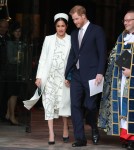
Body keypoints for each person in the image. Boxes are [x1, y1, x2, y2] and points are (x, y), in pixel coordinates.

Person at [65, 5, 107, 147]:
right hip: (76, 75)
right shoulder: (74, 34)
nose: (75, 21)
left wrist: (100, 72)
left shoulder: (97, 30)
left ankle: (94, 127)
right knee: (75, 106)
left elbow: (102, 53)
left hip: (92, 75)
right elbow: (73, 54)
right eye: (73, 19)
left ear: (83, 16)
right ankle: (80, 139)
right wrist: (67, 74)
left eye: (76, 18)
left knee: (90, 105)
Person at [98, 10, 134, 150]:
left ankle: (132, 139)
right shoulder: (122, 37)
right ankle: (125, 137)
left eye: (129, 20)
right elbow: (113, 55)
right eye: (124, 20)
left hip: (132, 79)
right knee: (123, 108)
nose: (125, 23)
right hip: (122, 80)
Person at [35, 13, 71, 144]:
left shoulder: (71, 40)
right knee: (49, 104)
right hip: (49, 77)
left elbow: (73, 61)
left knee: (63, 104)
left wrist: (70, 77)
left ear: (66, 26)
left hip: (63, 78)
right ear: (55, 27)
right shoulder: (48, 39)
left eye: (63, 26)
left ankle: (65, 127)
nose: (60, 28)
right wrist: (39, 77)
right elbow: (43, 59)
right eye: (58, 26)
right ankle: (51, 132)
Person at [5, 21, 24, 125]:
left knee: (13, 93)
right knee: (13, 94)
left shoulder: (19, 42)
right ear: (12, 32)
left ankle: (9, 114)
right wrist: (19, 58)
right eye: (16, 31)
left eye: (19, 31)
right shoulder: (10, 42)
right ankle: (12, 116)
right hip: (12, 72)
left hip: (16, 71)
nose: (18, 33)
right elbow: (11, 59)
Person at [0, 19, 10, 121]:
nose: (3, 29)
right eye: (1, 27)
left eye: (5, 27)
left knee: (4, 93)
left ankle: (2, 114)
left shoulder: (8, 38)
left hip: (5, 70)